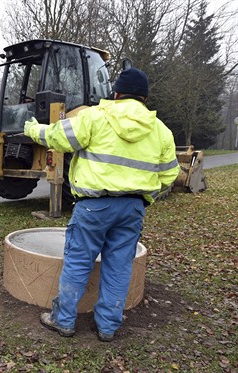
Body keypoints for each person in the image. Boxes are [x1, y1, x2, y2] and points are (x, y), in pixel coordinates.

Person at [23, 68, 180, 342]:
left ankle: (63, 320)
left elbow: (58, 137)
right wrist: (144, 198)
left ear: (116, 93)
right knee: (119, 266)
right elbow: (169, 174)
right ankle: (107, 327)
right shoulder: (160, 131)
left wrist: (33, 129)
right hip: (132, 208)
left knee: (79, 260)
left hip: (94, 206)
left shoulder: (94, 117)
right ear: (144, 97)